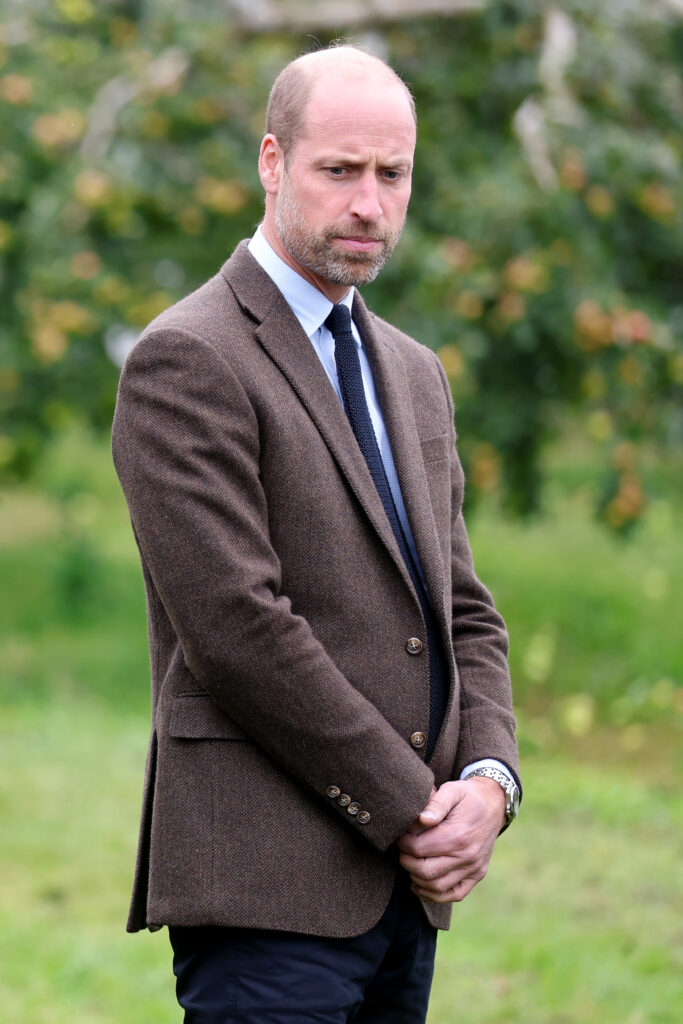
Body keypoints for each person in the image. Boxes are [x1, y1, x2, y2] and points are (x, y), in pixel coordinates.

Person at [112, 43, 521, 1024]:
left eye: (392, 174)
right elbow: (237, 629)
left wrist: (488, 782)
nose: (369, 204)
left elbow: (462, 608)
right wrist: (411, 807)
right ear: (271, 161)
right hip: (264, 888)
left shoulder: (413, 372)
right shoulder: (188, 357)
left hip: (403, 900)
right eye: (339, 170)